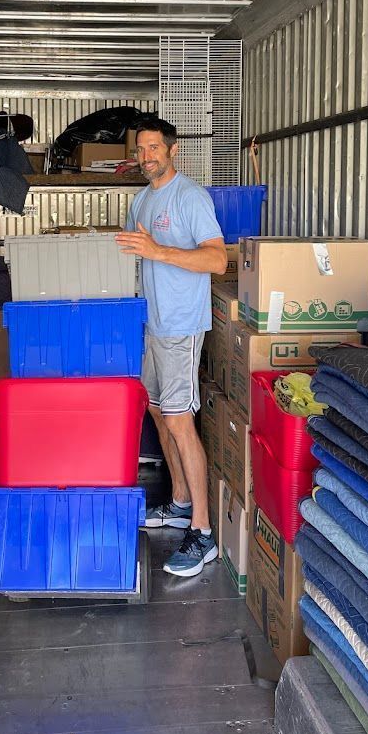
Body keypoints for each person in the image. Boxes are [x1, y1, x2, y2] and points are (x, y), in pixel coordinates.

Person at [115, 120, 227, 577]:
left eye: (154, 148)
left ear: (172, 150)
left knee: (180, 421)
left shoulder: (190, 197)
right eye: (140, 149)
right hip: (152, 324)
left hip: (181, 326)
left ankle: (203, 532)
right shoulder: (141, 200)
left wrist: (159, 251)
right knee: (159, 412)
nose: (147, 156)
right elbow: (132, 254)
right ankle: (180, 502)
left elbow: (218, 259)